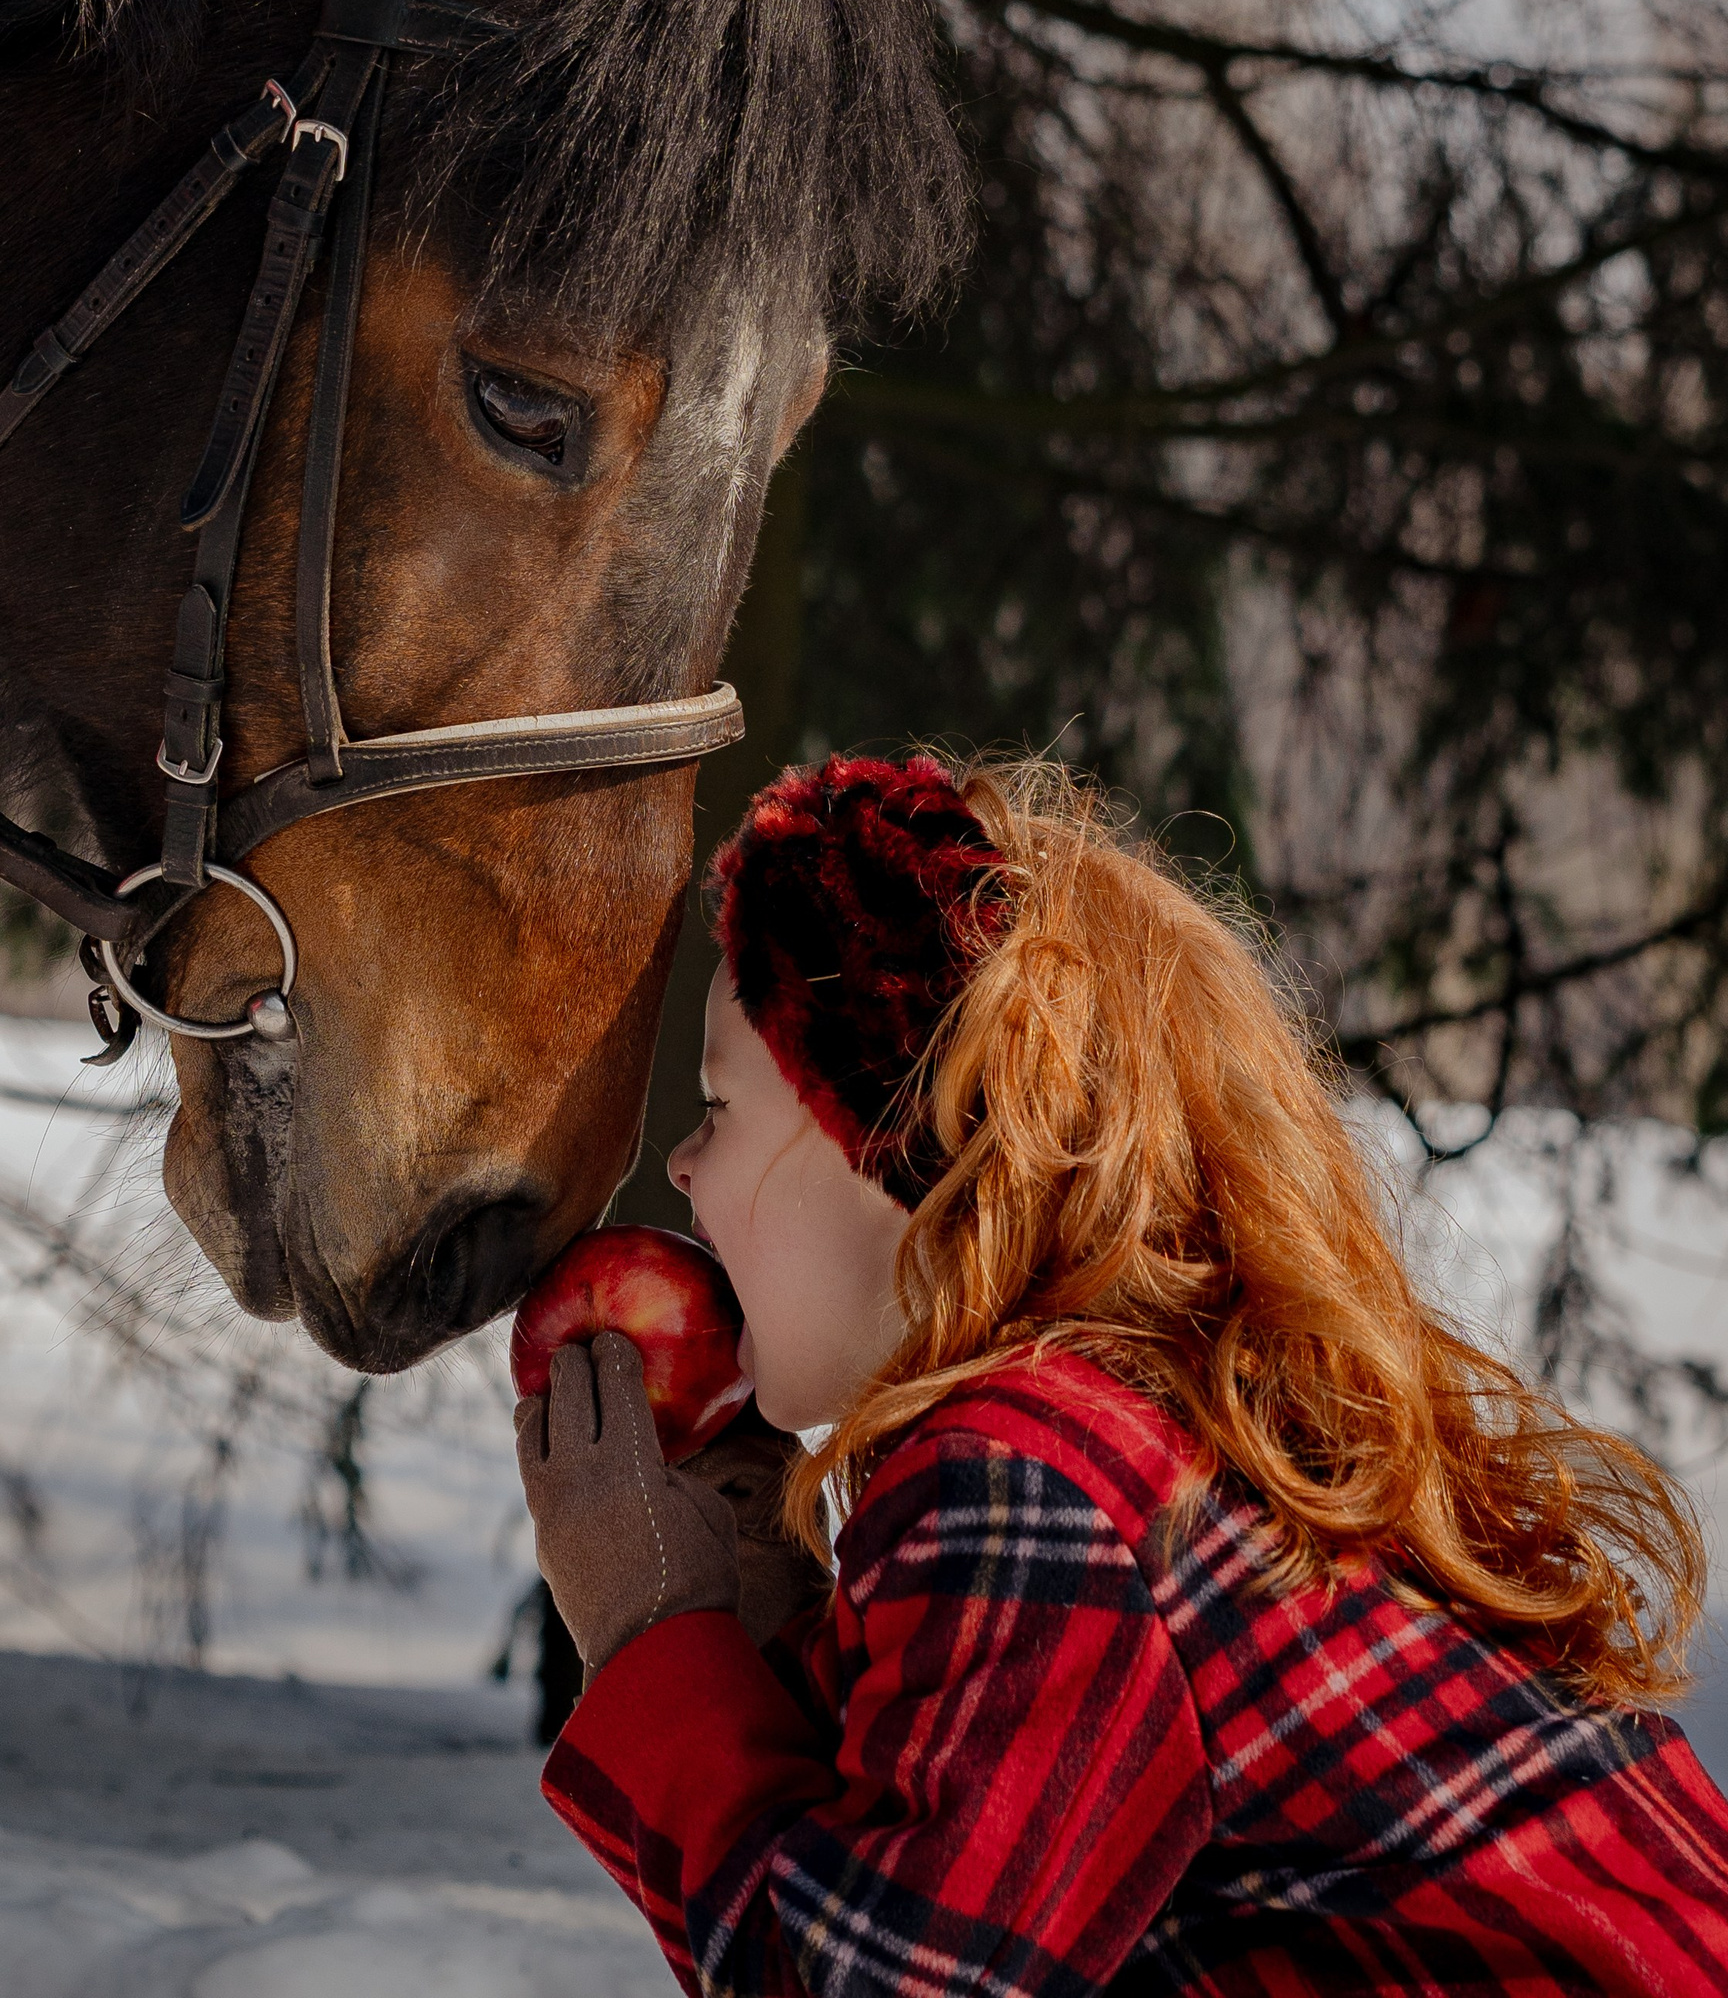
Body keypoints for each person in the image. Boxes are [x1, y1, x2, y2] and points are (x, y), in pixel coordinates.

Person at [517, 752, 1728, 1994]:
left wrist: (650, 1630)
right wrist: (768, 1614)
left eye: (719, 1108)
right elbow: (974, 1864)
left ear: (891, 1143)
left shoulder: (1014, 1479)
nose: (677, 1165)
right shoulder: (1135, 1432)